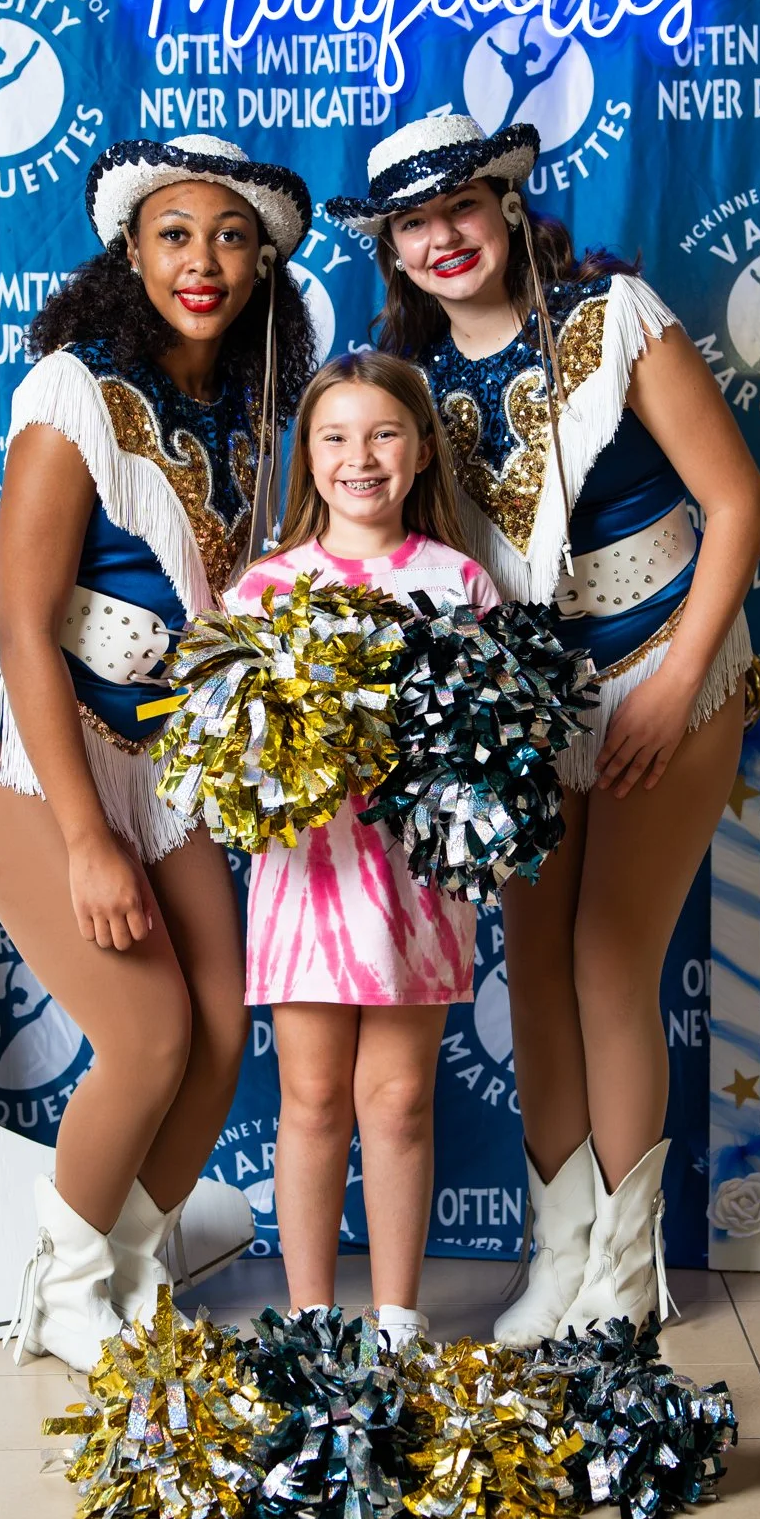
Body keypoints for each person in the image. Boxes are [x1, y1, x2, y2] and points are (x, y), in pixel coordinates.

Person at [326, 117, 760, 1344]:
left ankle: (627, 1272)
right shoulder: (407, 383)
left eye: (461, 208)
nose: (443, 238)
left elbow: (739, 502)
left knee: (609, 961)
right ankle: (559, 1252)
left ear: (508, 205)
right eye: (414, 224)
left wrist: (678, 684)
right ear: (393, 251)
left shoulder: (615, 318)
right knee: (532, 976)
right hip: (524, 704)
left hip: (666, 664)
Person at [0, 134, 316, 1370]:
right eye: (175, 235)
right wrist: (88, 839)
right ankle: (62, 1289)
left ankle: (133, 1267)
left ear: (263, 264)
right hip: (19, 736)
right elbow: (23, 627)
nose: (204, 261)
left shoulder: (251, 416)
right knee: (148, 1034)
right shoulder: (73, 393)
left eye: (231, 237)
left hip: (151, 752)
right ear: (130, 254)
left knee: (222, 1024)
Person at [226, 352, 499, 1349]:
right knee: (310, 1098)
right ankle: (309, 1323)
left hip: (417, 884)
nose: (361, 457)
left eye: (384, 434)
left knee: (399, 1100)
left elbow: (492, 741)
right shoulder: (266, 590)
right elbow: (229, 754)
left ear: (422, 451)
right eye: (335, 437)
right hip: (307, 879)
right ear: (307, 456)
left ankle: (396, 1323)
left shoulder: (459, 582)